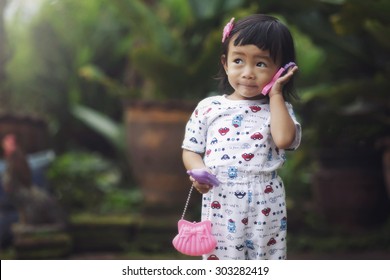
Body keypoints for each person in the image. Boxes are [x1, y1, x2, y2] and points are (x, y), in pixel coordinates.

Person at [181, 14, 302, 260]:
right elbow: (191, 149)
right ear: (225, 63)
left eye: (260, 64)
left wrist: (277, 93)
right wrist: (198, 172)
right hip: (220, 198)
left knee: (265, 258)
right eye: (238, 60)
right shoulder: (209, 107)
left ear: (281, 70)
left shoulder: (279, 110)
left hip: (266, 200)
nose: (247, 73)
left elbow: (283, 140)